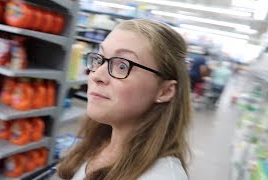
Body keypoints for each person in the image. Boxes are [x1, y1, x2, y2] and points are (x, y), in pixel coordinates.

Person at [56, 19, 191, 180]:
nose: (96, 75)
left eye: (122, 66)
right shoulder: (100, 140)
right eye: (100, 58)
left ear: (165, 91)